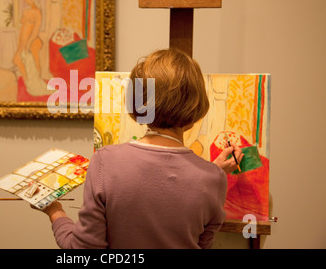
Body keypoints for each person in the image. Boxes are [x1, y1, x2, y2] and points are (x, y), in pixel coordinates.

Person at [34, 48, 243, 249]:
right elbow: (200, 242)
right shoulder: (214, 179)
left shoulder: (105, 162)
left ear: (136, 104)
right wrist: (211, 173)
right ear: (196, 111)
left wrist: (55, 210)